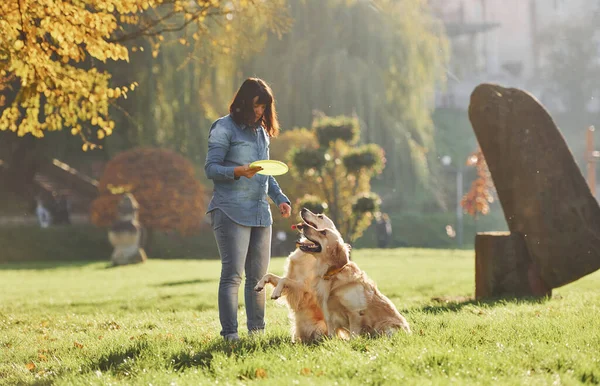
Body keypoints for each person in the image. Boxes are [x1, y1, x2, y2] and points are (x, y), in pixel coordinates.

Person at [204, 78, 292, 341]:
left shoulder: (261, 133)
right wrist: (237, 172)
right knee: (232, 276)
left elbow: (265, 172)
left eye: (264, 107)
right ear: (242, 102)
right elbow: (211, 168)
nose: (260, 112)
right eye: (256, 106)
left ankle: (257, 334)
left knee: (258, 279)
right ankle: (230, 335)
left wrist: (279, 197)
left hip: (260, 215)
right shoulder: (223, 128)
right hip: (230, 211)